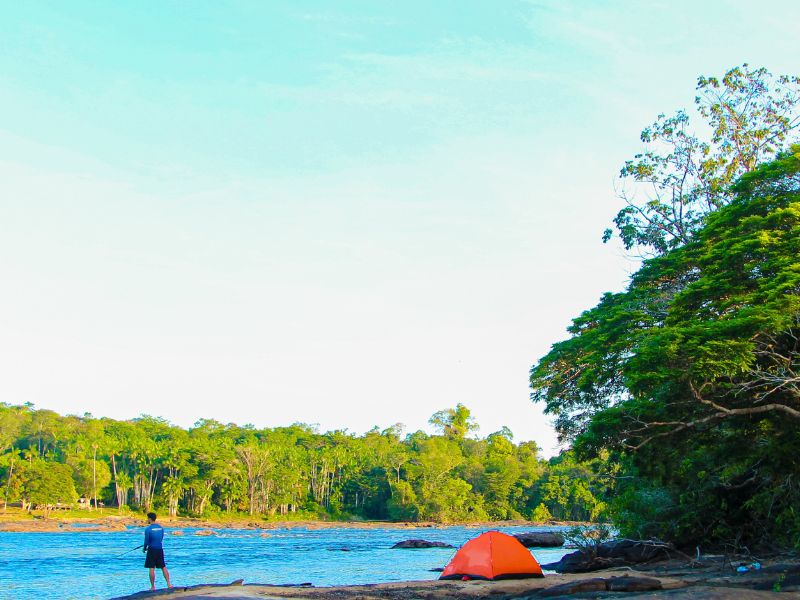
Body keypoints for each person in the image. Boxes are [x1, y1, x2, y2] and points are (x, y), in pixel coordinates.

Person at [143, 512, 172, 590]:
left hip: (152, 549)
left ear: (149, 519)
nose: (147, 520)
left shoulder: (148, 529)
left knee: (151, 567)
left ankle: (153, 587)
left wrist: (144, 548)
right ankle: (169, 584)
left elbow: (146, 541)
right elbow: (161, 538)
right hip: (160, 549)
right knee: (163, 566)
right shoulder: (161, 528)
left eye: (147, 518)